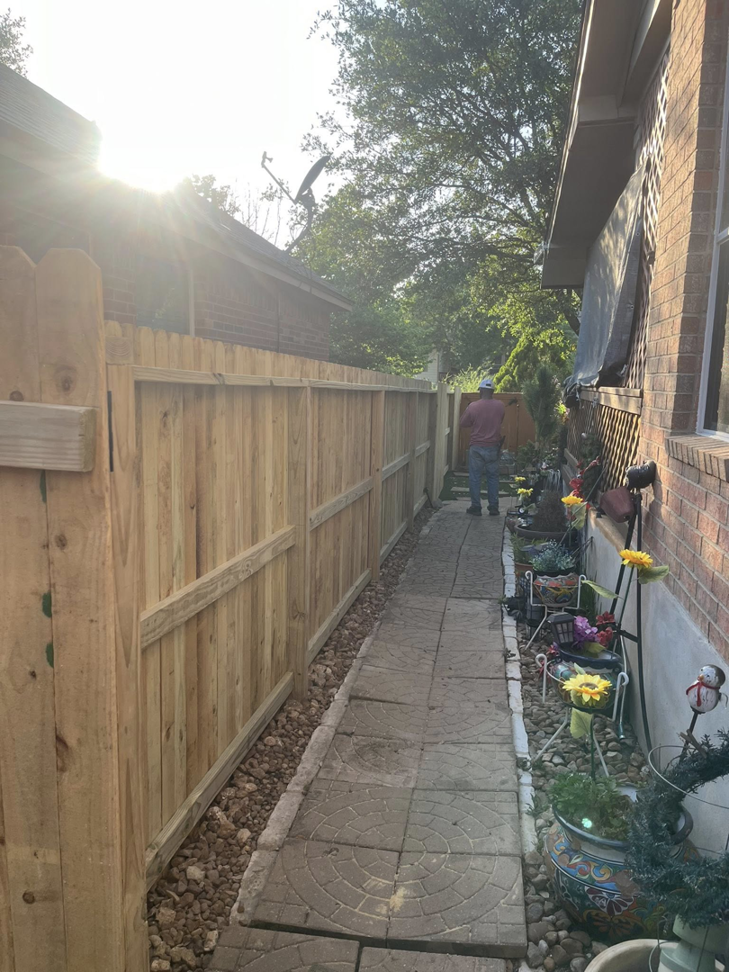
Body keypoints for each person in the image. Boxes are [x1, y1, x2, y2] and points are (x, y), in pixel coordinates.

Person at [459, 378, 505, 516]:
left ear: (481, 391)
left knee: (475, 477)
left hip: (477, 447)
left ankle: (476, 507)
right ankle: (493, 507)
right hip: (493, 447)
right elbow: (500, 420)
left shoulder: (473, 406)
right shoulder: (500, 406)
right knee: (493, 478)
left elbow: (463, 423)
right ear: (492, 391)